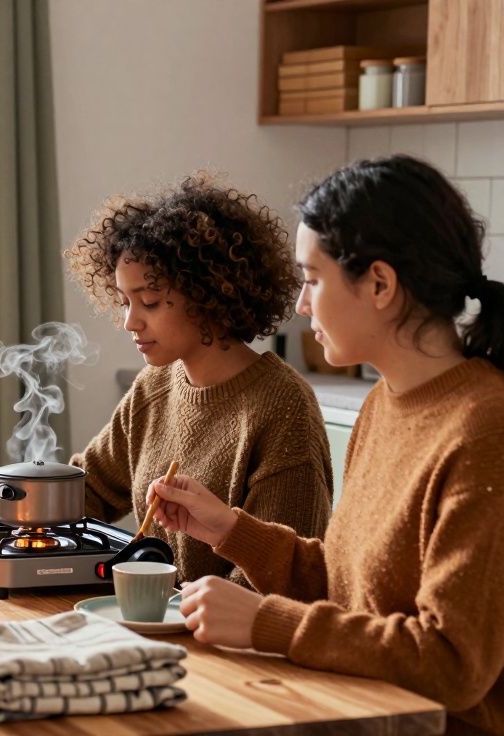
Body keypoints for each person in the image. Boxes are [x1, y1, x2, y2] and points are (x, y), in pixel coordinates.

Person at [147, 156, 504, 733]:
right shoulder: (383, 405)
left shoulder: (485, 430)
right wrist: (230, 531)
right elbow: (348, 587)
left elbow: (452, 663)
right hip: (351, 711)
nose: (300, 305)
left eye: (313, 279)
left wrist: (266, 621)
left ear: (380, 284)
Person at [65, 174, 332, 584]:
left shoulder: (282, 405)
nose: (130, 322)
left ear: (207, 293)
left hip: (225, 640)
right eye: (125, 301)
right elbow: (91, 490)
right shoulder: (153, 388)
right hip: (156, 624)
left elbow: (286, 579)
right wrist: (32, 496)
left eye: (149, 302)